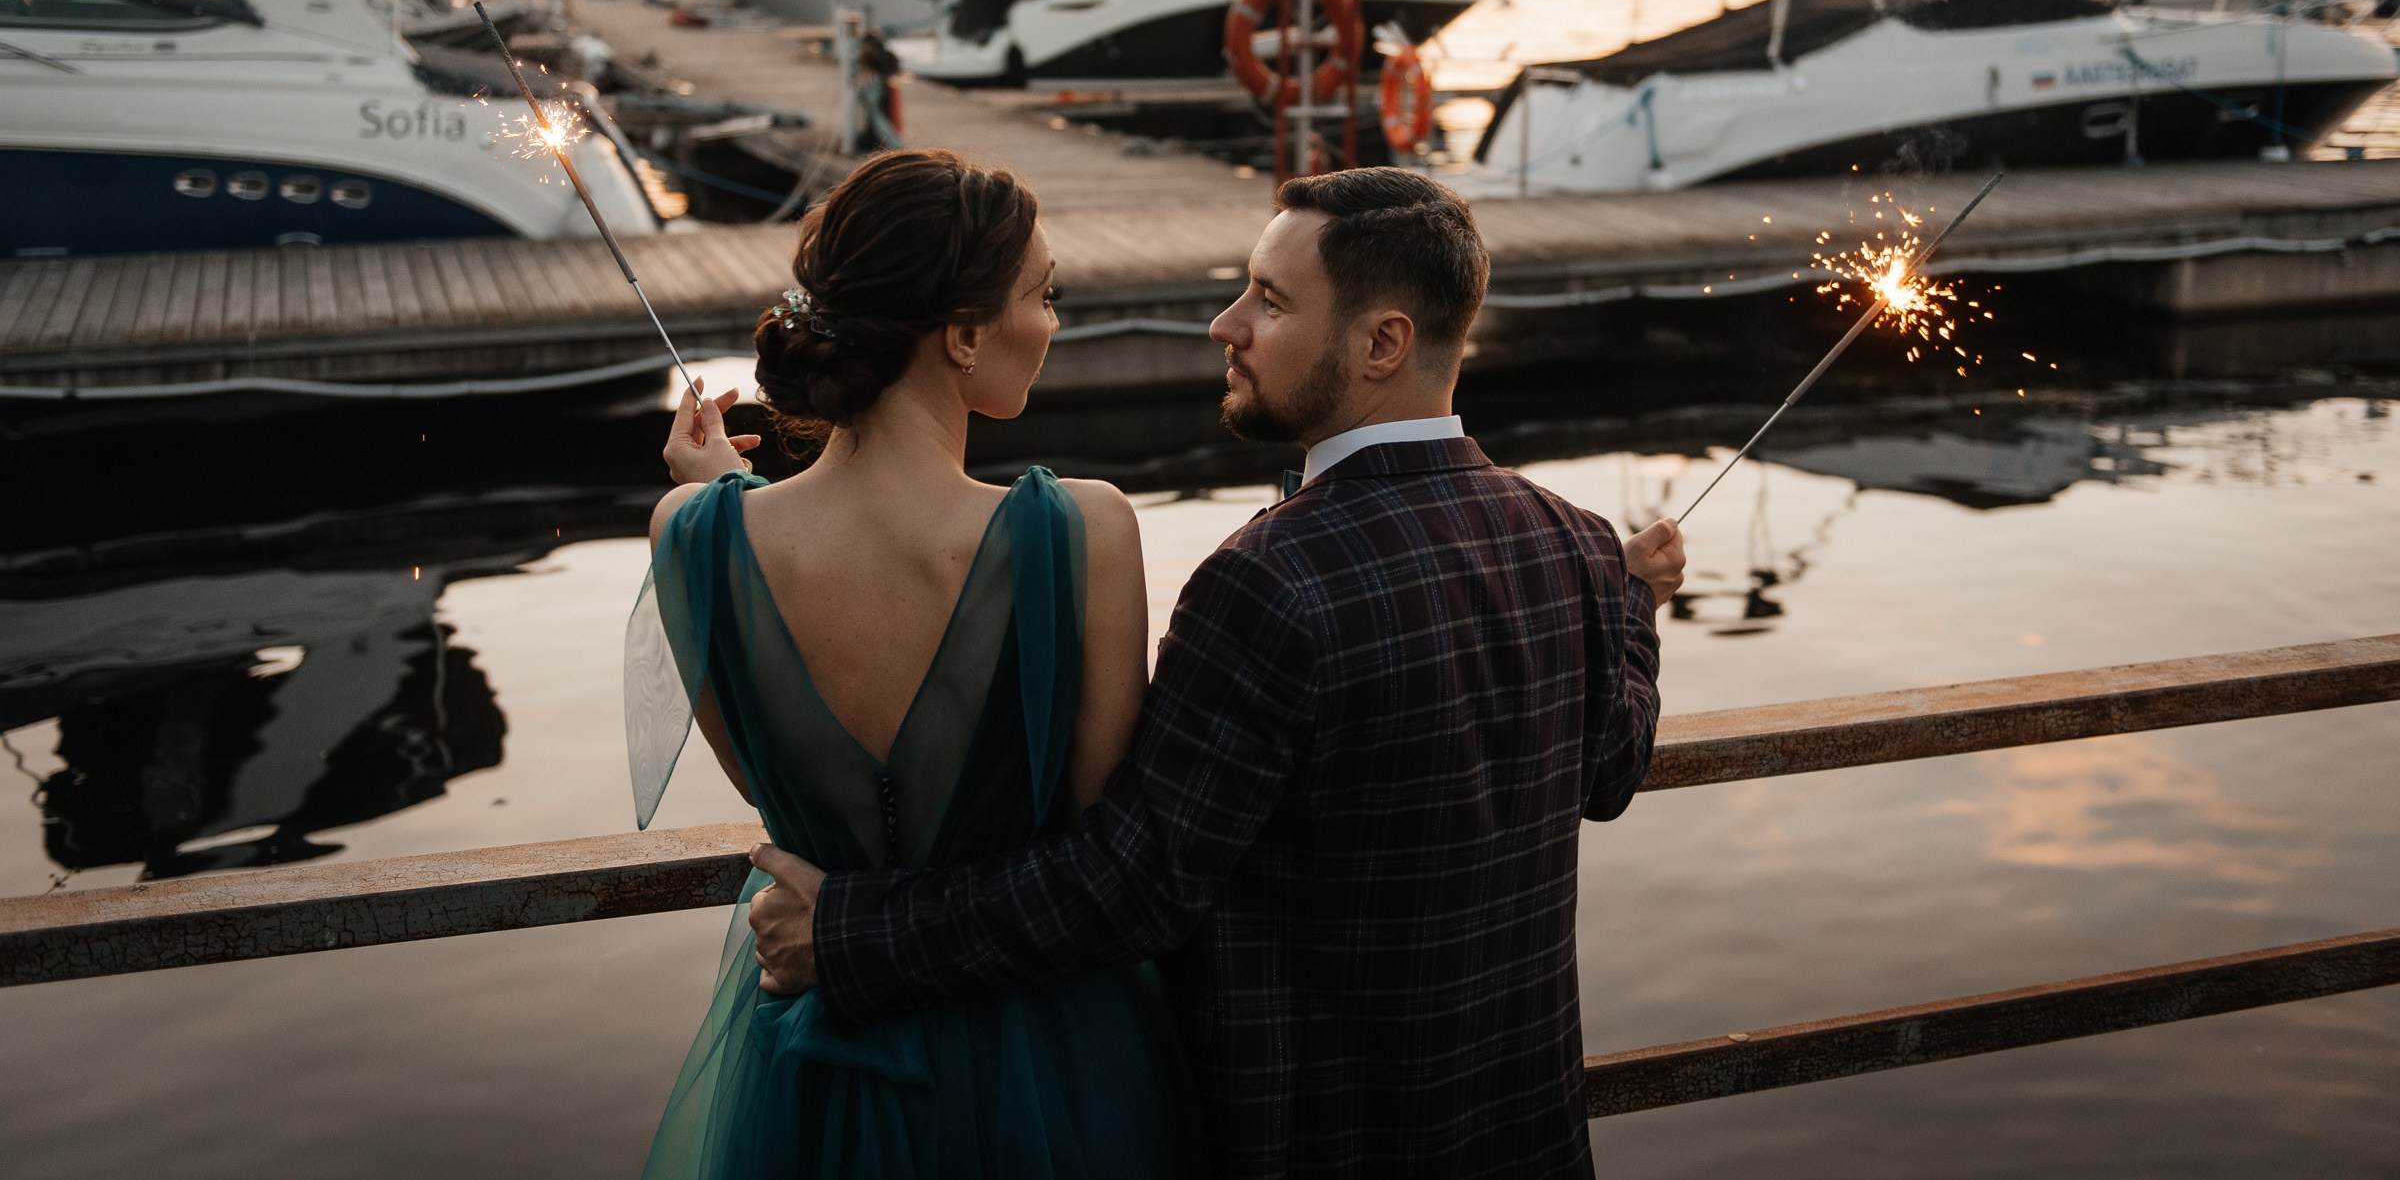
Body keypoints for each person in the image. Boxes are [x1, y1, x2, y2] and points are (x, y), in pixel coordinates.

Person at [746, 166, 1684, 1179]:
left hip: (1318, 1144)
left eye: (1269, 301)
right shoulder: (1577, 546)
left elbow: (1133, 885)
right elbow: (1612, 767)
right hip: (1524, 1136)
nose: (1224, 325)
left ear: (1383, 344)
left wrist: (851, 938)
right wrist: (1630, 608)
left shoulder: (1268, 583)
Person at [635, 148, 1205, 1178]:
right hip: (1048, 1051)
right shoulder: (1084, 529)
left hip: (819, 1055)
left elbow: (770, 775)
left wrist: (722, 504)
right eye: (1045, 295)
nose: (1056, 322)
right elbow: (1097, 846)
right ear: (965, 335)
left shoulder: (689, 537)